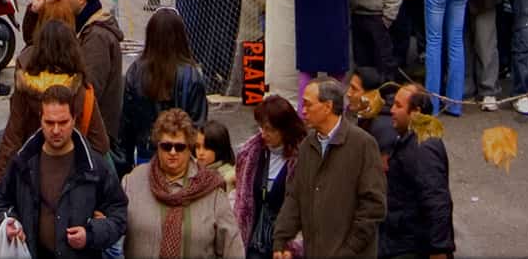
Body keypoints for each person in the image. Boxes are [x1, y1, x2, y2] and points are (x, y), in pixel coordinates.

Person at [0, 16, 114, 204]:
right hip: (72, 185)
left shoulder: (25, 89)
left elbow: (11, 141)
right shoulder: (81, 91)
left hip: (31, 181)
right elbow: (100, 144)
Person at [0, 85, 129, 259]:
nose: (56, 130)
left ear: (74, 119)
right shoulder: (22, 163)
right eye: (49, 123)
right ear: (40, 119)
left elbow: (119, 215)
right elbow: (1, 201)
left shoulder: (95, 167)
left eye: (63, 122)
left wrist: (91, 234)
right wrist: (8, 222)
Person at [270, 76, 386, 259]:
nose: (303, 111)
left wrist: (347, 251)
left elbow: (373, 207)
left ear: (328, 107)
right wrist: (281, 240)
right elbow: (294, 197)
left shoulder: (363, 145)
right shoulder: (307, 146)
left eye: (308, 105)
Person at [122, 106, 241, 258]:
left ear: (189, 147)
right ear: (157, 146)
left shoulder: (211, 188)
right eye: (166, 146)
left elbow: (232, 247)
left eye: (179, 147)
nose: (172, 152)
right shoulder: (134, 181)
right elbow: (114, 225)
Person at [117, 8, 210, 174]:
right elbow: (198, 125)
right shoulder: (192, 75)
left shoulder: (136, 71)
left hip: (145, 156)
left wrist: (126, 165)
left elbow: (126, 125)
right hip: (181, 157)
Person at [379, 85, 456, 259]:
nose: (392, 110)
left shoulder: (423, 148)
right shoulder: (408, 139)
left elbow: (437, 202)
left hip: (412, 247)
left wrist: (439, 250)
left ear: (416, 112)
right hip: (399, 239)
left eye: (398, 106)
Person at [233, 95, 305, 259]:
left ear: (286, 129)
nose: (264, 134)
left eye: (270, 129)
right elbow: (240, 199)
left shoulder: (303, 159)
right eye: (261, 128)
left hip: (286, 248)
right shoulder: (250, 154)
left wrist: (295, 245)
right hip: (253, 243)